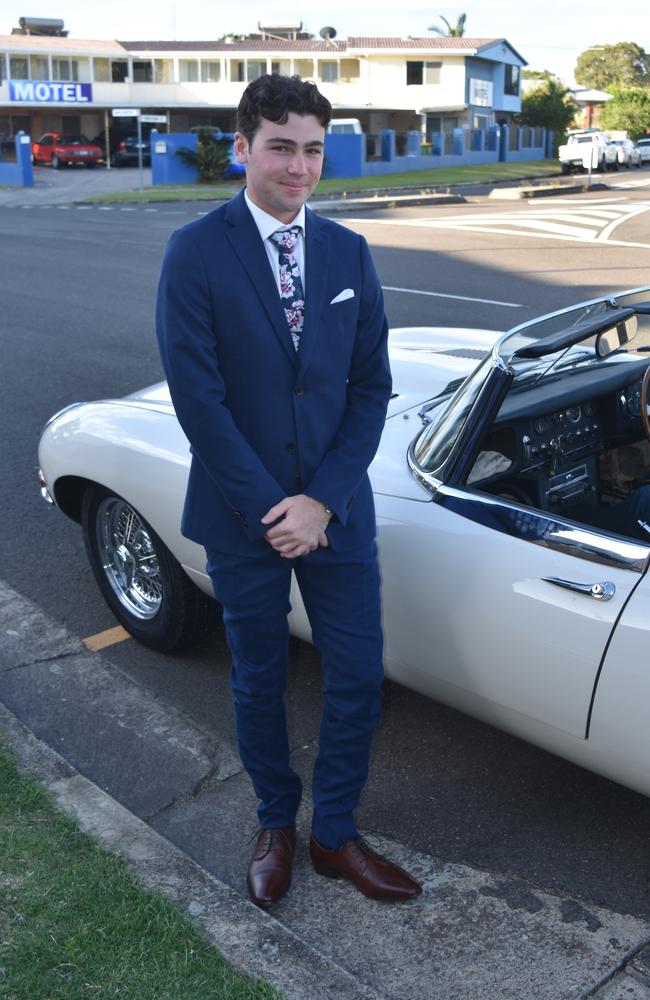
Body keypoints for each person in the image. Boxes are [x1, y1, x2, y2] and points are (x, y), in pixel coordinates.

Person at [156, 74, 421, 908]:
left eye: (312, 149)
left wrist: (324, 501)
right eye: (281, 147)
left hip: (336, 512)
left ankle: (335, 834)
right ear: (242, 148)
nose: (299, 167)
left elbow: (371, 388)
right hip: (244, 516)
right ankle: (276, 819)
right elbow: (199, 399)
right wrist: (277, 510)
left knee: (357, 675)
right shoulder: (195, 251)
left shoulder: (348, 252)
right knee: (257, 676)